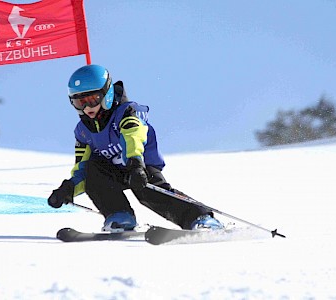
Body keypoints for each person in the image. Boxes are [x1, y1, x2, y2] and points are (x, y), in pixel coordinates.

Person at [47, 64, 223, 232]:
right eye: (80, 103)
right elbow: (82, 168)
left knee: (149, 193)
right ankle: (120, 216)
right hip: (113, 172)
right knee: (92, 171)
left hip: (140, 166)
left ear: (106, 94)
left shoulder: (128, 112)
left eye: (93, 100)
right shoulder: (83, 132)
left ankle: (200, 218)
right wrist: (68, 189)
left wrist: (136, 164)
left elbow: (133, 136)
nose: (87, 108)